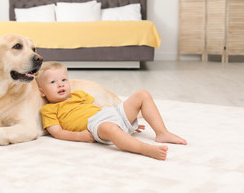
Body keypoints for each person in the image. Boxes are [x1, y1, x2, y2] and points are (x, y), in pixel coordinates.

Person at [35, 61, 187, 160]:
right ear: (42, 91)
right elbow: (57, 132)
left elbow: (99, 108)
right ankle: (144, 149)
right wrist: (79, 136)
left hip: (110, 114)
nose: (60, 85)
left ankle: (162, 132)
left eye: (63, 80)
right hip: (96, 125)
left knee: (142, 94)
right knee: (110, 128)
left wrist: (126, 121)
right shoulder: (49, 109)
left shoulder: (78, 94)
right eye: (53, 82)